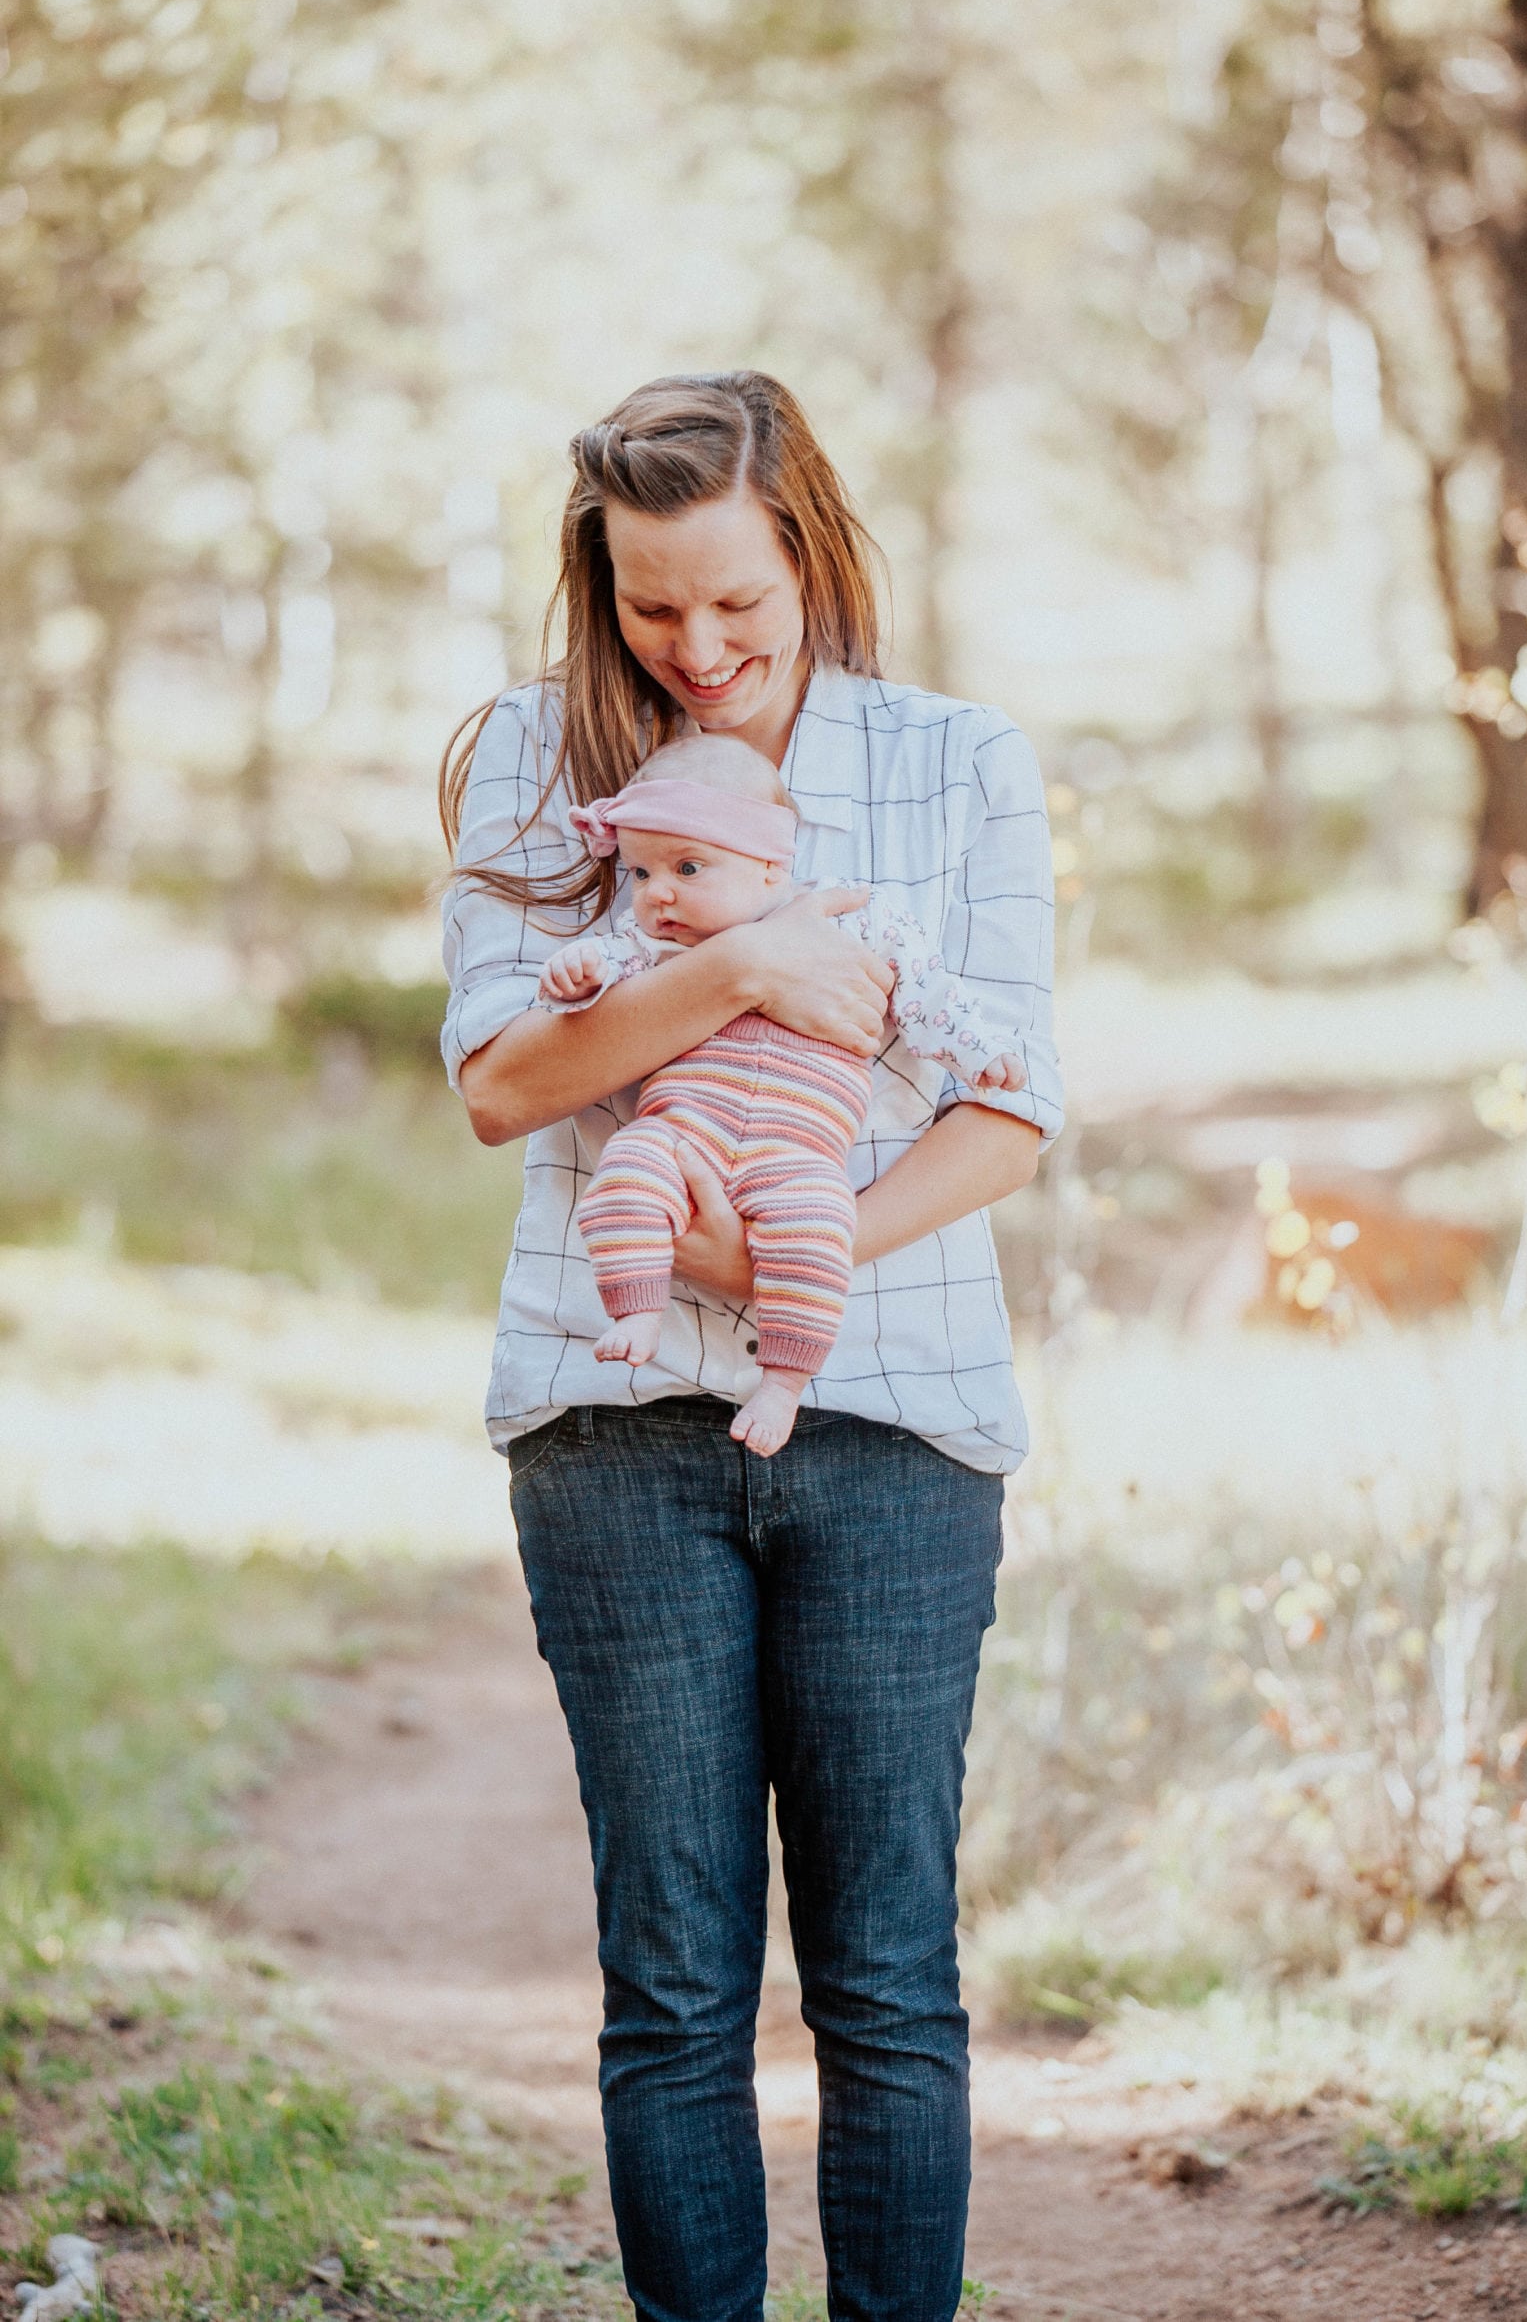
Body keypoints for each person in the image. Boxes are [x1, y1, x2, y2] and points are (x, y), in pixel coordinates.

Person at [439, 370, 1061, 2322]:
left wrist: (791, 1251)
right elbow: (498, 1082)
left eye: (735, 605)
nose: (695, 652)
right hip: (610, 1428)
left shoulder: (957, 762)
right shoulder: (528, 762)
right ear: (592, 580)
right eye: (645, 607)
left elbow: (1013, 1103)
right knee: (676, 1979)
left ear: (810, 552)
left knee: (883, 1971)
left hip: (890, 1421)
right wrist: (730, 961)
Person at [535, 731, 1026, 1455]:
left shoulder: (853, 919)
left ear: (770, 867)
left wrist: (980, 1052)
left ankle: (785, 1379)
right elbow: (598, 980)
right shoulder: (663, 949)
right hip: (684, 1131)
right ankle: (635, 1304)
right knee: (629, 1167)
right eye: (638, 871)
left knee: (818, 1234)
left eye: (687, 865)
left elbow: (929, 993)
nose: (656, 892)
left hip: (797, 1154)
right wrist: (575, 972)